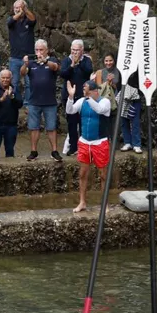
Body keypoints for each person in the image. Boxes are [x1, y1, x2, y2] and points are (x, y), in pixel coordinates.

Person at [65, 80, 112, 214]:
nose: (83, 90)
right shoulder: (82, 101)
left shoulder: (105, 102)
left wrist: (88, 97)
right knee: (82, 173)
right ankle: (82, 202)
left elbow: (99, 109)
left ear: (94, 91)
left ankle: (105, 203)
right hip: (85, 142)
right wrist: (70, 97)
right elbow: (70, 110)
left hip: (100, 142)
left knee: (103, 175)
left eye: (86, 89)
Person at [21, 39, 61, 161]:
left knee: (51, 127)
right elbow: (22, 73)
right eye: (37, 50)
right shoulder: (32, 63)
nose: (39, 52)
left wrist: (45, 61)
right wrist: (25, 64)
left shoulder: (52, 60)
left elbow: (55, 67)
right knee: (33, 127)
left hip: (50, 101)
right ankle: (33, 151)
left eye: (41, 50)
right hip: (34, 101)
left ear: (46, 50)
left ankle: (54, 151)